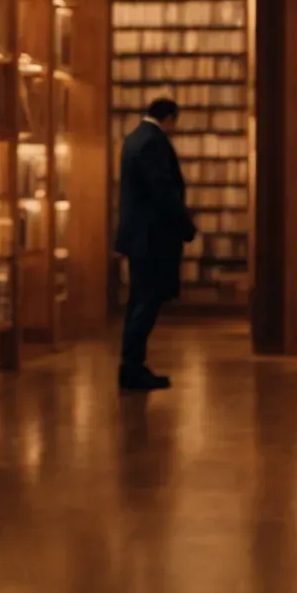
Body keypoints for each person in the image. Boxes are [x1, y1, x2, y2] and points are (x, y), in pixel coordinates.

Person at [114, 98, 195, 391]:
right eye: (175, 124)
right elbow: (162, 191)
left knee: (141, 301)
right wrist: (186, 226)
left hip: (142, 237)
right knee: (146, 302)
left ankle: (132, 365)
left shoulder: (137, 138)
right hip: (151, 238)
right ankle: (132, 368)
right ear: (169, 118)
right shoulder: (152, 142)